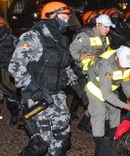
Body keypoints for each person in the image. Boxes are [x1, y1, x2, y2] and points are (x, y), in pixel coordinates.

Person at [8, 2, 87, 155]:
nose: (66, 20)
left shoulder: (61, 39)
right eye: (64, 16)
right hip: (37, 96)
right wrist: (32, 86)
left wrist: (78, 88)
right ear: (51, 17)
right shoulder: (33, 37)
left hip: (58, 96)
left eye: (67, 17)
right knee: (41, 143)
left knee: (62, 140)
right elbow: (15, 65)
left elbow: (64, 66)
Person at [85, 45, 130, 155]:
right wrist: (126, 106)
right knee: (99, 115)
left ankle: (114, 139)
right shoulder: (106, 65)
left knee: (116, 110)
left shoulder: (128, 63)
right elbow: (106, 94)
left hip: (109, 88)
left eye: (127, 66)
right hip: (95, 89)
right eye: (122, 65)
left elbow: (126, 83)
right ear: (116, 58)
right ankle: (99, 149)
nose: (125, 68)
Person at [69, 13, 115, 132]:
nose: (108, 30)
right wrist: (79, 57)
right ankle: (93, 124)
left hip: (98, 72)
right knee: (96, 99)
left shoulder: (106, 38)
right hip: (85, 73)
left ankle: (85, 123)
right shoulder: (85, 35)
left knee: (99, 99)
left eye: (109, 27)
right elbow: (72, 49)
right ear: (98, 25)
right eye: (106, 27)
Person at [0, 16, 20, 138]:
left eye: (1, 26)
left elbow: (22, 57)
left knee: (12, 101)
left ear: (6, 28)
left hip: (9, 76)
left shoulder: (14, 40)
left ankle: (14, 114)